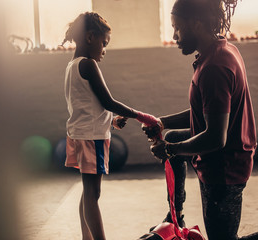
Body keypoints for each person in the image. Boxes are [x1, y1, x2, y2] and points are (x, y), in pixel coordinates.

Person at [143, 0, 257, 239]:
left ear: (195, 24)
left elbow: (216, 137)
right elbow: (206, 112)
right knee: (173, 136)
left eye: (177, 27)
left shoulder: (214, 68)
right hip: (224, 157)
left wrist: (171, 149)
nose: (174, 36)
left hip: (224, 168)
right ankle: (177, 212)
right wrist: (163, 123)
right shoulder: (222, 50)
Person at [62, 12, 159, 240]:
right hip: (91, 138)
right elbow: (108, 102)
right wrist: (141, 116)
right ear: (89, 37)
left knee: (88, 192)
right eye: (103, 43)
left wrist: (112, 121)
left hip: (80, 134)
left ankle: (87, 237)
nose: (104, 49)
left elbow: (88, 106)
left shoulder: (72, 66)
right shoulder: (88, 65)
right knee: (93, 194)